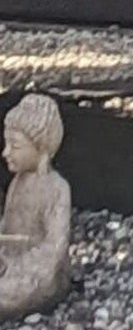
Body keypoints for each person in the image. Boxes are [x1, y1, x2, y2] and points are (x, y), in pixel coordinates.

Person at [0, 93, 71, 318]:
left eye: (15, 146)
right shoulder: (17, 183)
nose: (5, 152)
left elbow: (54, 248)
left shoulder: (56, 188)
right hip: (9, 262)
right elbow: (8, 231)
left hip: (40, 272)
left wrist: (18, 267)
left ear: (41, 149)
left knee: (11, 291)